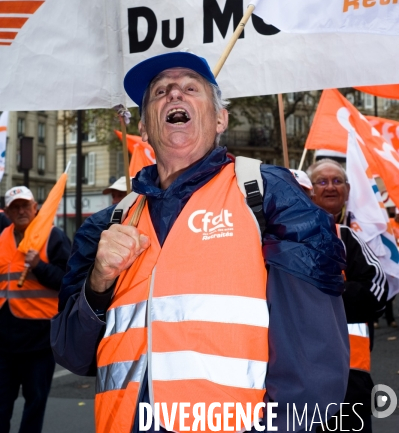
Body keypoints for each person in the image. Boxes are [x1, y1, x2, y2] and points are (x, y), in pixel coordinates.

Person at [52, 52, 349, 433]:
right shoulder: (106, 226)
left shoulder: (267, 195)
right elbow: (72, 354)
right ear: (143, 127)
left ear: (220, 118)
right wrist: (97, 284)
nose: (174, 93)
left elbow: (315, 361)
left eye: (191, 88)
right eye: (160, 91)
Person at [308, 159, 388, 433]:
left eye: (337, 181)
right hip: (297, 371)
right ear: (309, 190)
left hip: (350, 374)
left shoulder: (349, 238)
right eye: (322, 181)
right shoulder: (282, 240)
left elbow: (376, 294)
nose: (330, 187)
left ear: (348, 189)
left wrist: (322, 295)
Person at [0, 186, 71, 433]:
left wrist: (39, 266)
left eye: (24, 206)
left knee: (35, 404)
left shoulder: (53, 237)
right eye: (14, 207)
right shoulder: (1, 239)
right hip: (4, 342)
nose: (20, 211)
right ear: (7, 212)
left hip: (39, 341)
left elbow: (69, 281)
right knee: (0, 407)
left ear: (35, 208)